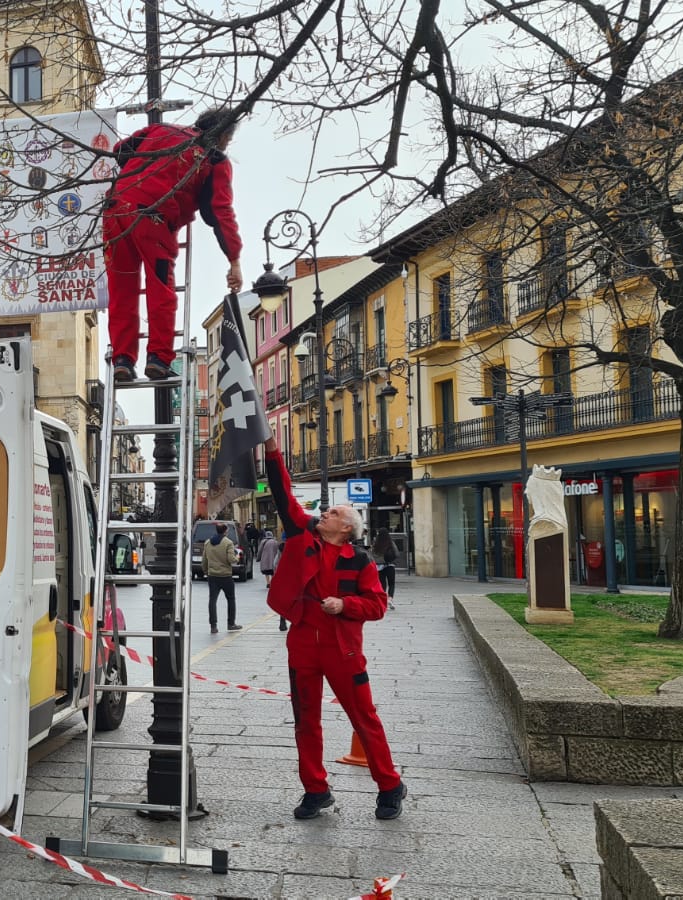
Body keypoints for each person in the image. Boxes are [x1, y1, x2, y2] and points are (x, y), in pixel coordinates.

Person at [263, 435, 405, 821]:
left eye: (333, 512)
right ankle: (315, 789)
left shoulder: (360, 561)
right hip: (303, 647)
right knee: (305, 720)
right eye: (325, 511)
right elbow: (282, 493)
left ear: (346, 528)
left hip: (343, 650)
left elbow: (377, 605)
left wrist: (345, 605)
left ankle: (390, 786)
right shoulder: (300, 535)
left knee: (364, 719)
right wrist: (272, 448)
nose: (323, 513)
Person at [103, 107, 244, 382]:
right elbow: (219, 212)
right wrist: (234, 260)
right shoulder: (214, 159)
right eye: (228, 138)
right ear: (224, 135)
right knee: (160, 288)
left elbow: (121, 149)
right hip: (152, 217)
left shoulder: (159, 130)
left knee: (121, 289)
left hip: (115, 212)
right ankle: (158, 357)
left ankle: (122, 359)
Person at [202, 522, 240, 634]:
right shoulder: (228, 543)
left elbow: (204, 560)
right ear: (225, 531)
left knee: (212, 600)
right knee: (231, 599)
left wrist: (206, 571)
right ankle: (231, 623)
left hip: (212, 575)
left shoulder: (208, 543)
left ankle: (213, 626)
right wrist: (237, 557)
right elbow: (231, 559)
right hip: (225, 576)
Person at [257, 531, 284, 629]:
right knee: (272, 571)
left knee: (266, 572)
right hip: (273, 559)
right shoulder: (275, 542)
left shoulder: (263, 541)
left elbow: (260, 550)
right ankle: (271, 581)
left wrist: (258, 557)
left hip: (266, 558)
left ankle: (268, 582)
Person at [371, 530, 400, 610]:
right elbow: (397, 553)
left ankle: (383, 601)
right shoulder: (390, 542)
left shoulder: (375, 544)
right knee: (391, 583)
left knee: (382, 584)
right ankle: (390, 599)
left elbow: (372, 556)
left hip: (379, 567)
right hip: (390, 565)